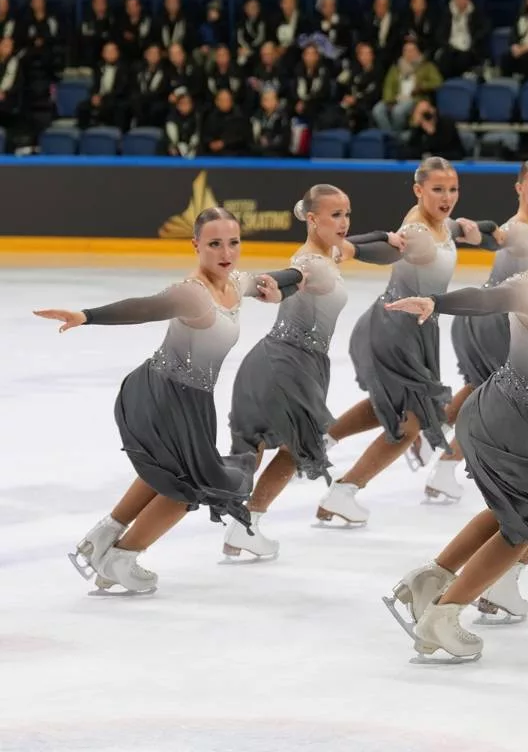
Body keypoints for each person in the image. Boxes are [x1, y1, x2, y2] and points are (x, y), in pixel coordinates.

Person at [383, 192, 528, 663]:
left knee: (510, 513)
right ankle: (444, 615)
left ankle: (428, 580)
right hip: (514, 413)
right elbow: (486, 298)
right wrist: (437, 301)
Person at [43, 208, 294, 594]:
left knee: (167, 473)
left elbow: (278, 279)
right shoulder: (192, 294)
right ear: (196, 245)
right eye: (214, 243)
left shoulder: (236, 283)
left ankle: (101, 539)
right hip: (165, 396)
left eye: (233, 242)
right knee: (190, 487)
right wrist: (87, 315)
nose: (226, 251)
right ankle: (121, 559)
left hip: (190, 399)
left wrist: (289, 285)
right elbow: (143, 308)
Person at [221, 185, 416, 560]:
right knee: (292, 448)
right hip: (289, 363)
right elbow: (285, 276)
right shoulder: (308, 263)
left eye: (347, 213)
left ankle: (240, 525)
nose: (344, 222)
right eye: (335, 215)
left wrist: (386, 237)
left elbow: (366, 245)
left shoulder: (329, 253)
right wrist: (250, 284)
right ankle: (241, 523)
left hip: (286, 360)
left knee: (266, 448)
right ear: (312, 219)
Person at [317, 157, 485, 525]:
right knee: (408, 426)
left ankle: (322, 440)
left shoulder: (438, 224)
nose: (447, 197)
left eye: (453, 189)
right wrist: (350, 250)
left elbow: (456, 228)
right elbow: (387, 248)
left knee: (388, 406)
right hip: (396, 330)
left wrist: (475, 229)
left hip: (413, 329)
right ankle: (343, 493)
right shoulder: (418, 232)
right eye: (438, 189)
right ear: (418, 190)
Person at [424, 161, 528, 502]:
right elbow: (490, 237)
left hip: (485, 316)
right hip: (496, 321)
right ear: (519, 188)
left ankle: (431, 436)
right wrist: (470, 229)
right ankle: (446, 463)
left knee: (479, 389)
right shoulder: (516, 229)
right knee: (502, 403)